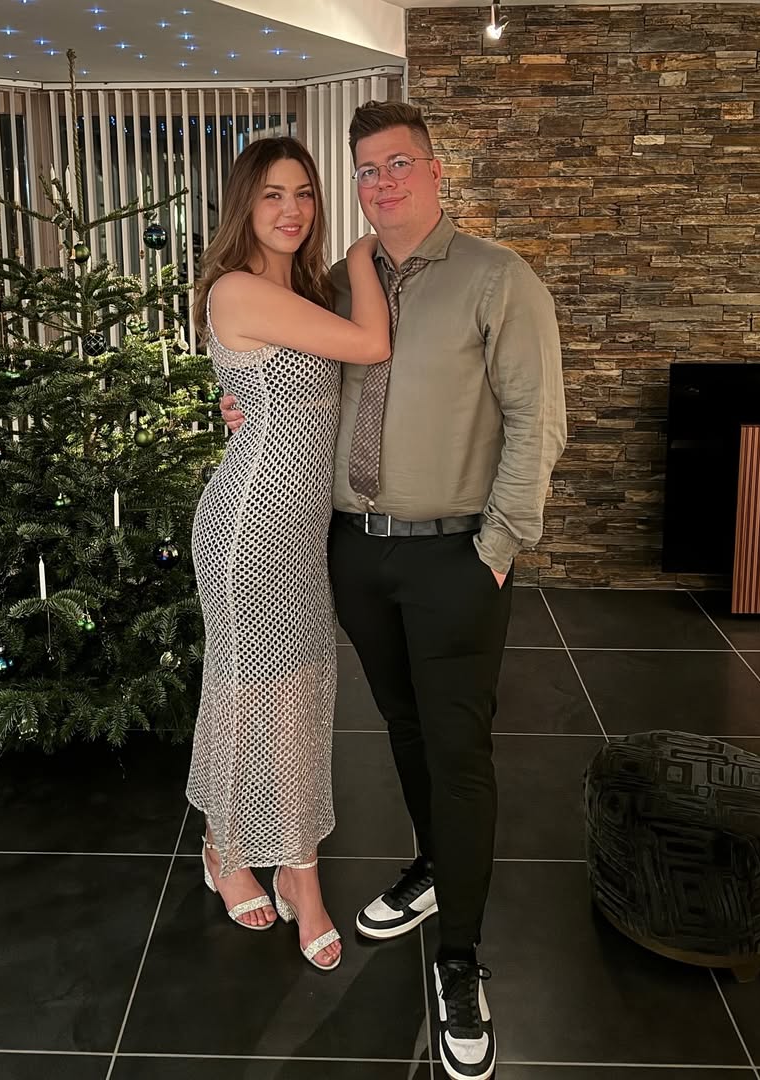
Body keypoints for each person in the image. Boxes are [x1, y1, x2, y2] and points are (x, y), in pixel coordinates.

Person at [220, 102, 566, 1080]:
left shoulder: (497, 277)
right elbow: (282, 381)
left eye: (399, 164)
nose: (382, 183)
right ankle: (433, 865)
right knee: (406, 731)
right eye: (367, 170)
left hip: (454, 555)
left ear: (436, 170)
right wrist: (238, 402)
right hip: (354, 552)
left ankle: (459, 961)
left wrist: (498, 546)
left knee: (457, 751)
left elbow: (538, 419)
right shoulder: (335, 285)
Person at [186, 135, 390, 973]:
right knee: (250, 691)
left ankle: (279, 855)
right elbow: (371, 345)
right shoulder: (239, 288)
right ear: (246, 204)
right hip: (249, 526)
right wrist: (365, 253)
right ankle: (237, 852)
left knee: (301, 689)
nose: (292, 209)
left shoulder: (299, 292)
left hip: (300, 529)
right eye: (273, 194)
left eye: (304, 192)